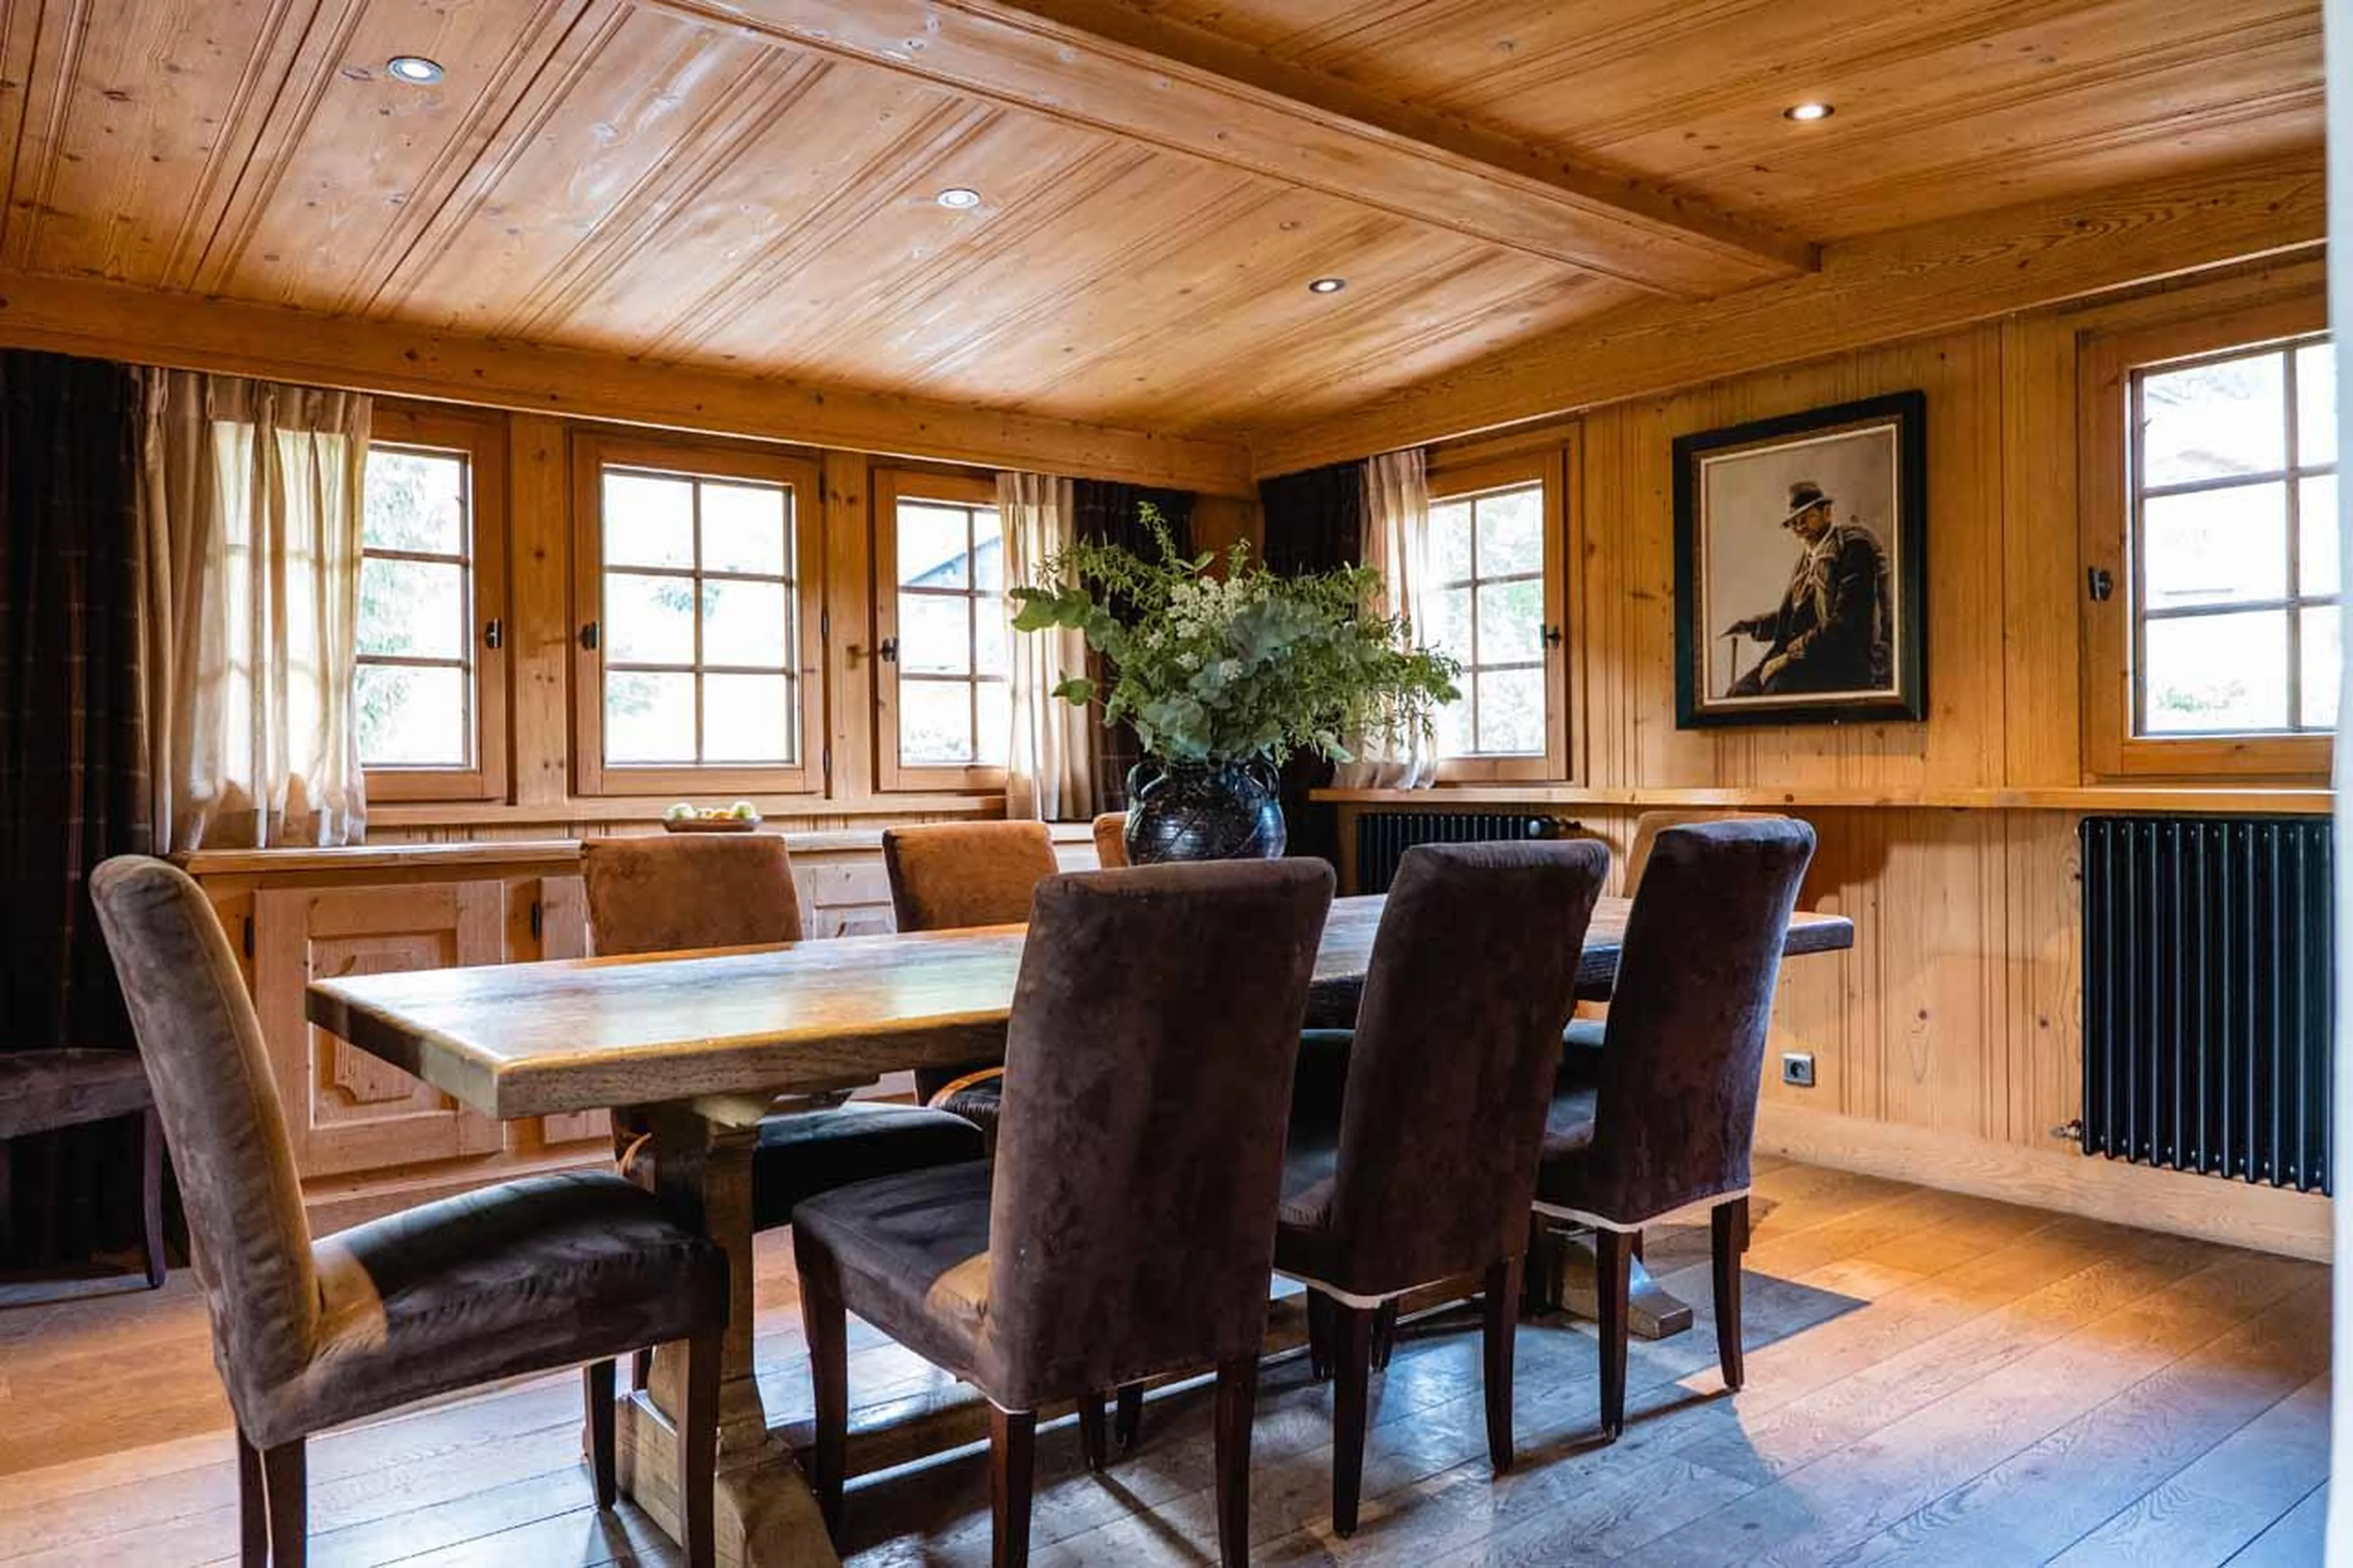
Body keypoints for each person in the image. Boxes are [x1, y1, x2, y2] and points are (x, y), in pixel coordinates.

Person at [1722, 480, 1892, 697]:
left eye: (1806, 518)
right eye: (1794, 522)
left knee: (1775, 691)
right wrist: (1753, 626)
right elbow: (1794, 618)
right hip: (1798, 655)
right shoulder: (1805, 561)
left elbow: (1847, 623)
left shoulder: (1853, 549)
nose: (1799, 527)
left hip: (1834, 660)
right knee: (1737, 694)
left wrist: (1788, 657)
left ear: (1827, 513)